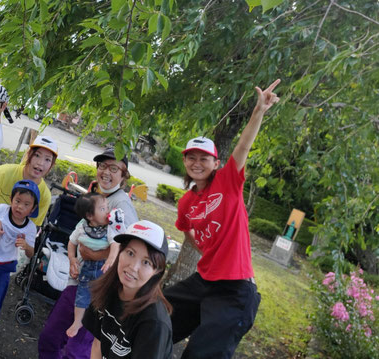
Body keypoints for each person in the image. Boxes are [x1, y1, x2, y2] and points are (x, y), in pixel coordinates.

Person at [163, 80, 280, 359]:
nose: (197, 163)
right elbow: (186, 230)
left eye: (204, 158)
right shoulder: (186, 202)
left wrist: (258, 111)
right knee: (156, 317)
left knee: (199, 354)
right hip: (203, 281)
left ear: (216, 163)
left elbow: (242, 146)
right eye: (191, 158)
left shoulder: (228, 183)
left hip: (235, 291)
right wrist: (205, 247)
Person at [38, 147, 139, 359]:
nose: (106, 172)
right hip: (78, 282)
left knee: (76, 352)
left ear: (123, 176)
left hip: (98, 292)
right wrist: (74, 259)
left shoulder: (121, 206)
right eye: (102, 166)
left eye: (114, 168)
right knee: (51, 337)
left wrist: (96, 256)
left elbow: (131, 251)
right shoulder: (99, 197)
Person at [83, 220, 173, 359]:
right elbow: (97, 344)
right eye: (130, 253)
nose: (133, 267)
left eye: (146, 262)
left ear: (157, 271)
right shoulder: (108, 291)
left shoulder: (154, 323)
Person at [0, 179, 39, 359]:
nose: (20, 207)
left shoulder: (30, 228)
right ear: (11, 199)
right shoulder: (2, 210)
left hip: (3, 268)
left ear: (32, 209)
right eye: (17, 201)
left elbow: (31, 253)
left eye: (26, 204)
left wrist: (25, 245)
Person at [0, 135, 58, 230]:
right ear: (29, 155)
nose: (40, 163)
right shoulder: (3, 172)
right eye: (37, 155)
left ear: (51, 165)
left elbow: (31, 225)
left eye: (47, 159)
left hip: (7, 239)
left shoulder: (45, 195)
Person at [66, 193, 123, 338]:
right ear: (90, 216)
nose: (108, 211)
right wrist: (72, 259)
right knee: (82, 293)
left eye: (107, 207)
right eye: (103, 209)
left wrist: (110, 259)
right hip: (87, 267)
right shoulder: (81, 227)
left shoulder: (109, 227)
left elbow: (115, 244)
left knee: (102, 296)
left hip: (104, 267)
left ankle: (102, 321)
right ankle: (77, 321)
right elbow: (72, 242)